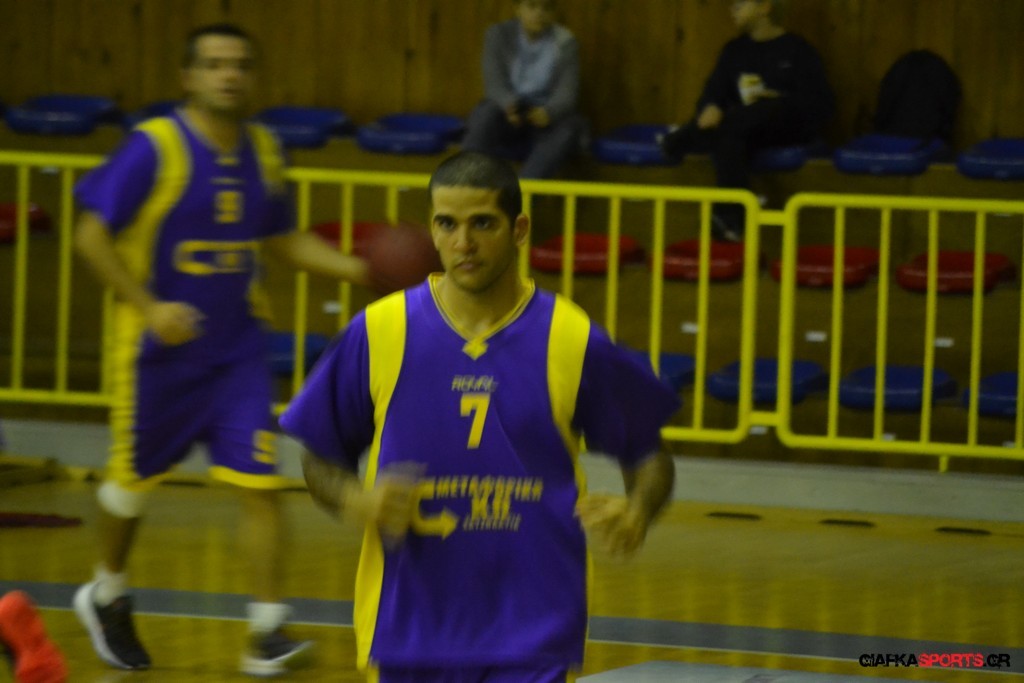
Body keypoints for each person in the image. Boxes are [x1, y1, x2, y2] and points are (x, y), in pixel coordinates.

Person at [280, 151, 678, 682]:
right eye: (447, 224)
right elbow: (320, 458)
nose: (463, 243)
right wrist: (356, 499)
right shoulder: (379, 331)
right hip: (408, 629)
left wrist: (638, 511)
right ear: (432, 229)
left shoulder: (570, 336)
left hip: (534, 632)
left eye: (482, 224)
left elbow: (649, 453)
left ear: (519, 230)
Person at [71, 23, 368, 676]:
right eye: (213, 64)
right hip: (156, 353)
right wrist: (149, 306)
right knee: (131, 487)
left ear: (253, 77)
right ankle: (106, 591)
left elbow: (282, 239)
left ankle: (266, 631)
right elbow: (89, 235)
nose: (228, 75)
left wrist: (359, 269)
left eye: (239, 65)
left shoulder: (264, 149)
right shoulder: (154, 145)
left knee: (259, 484)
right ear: (189, 77)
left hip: (236, 352)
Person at [660, 0, 834, 241]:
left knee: (762, 110)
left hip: (785, 129)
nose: (732, 9)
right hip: (739, 132)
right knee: (730, 129)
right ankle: (732, 217)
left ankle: (685, 137)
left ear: (765, 7)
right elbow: (713, 94)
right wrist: (711, 107)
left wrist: (776, 101)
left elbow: (819, 105)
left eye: (740, 3)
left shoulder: (798, 50)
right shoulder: (734, 51)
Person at [461, 0, 586, 179]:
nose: (539, 14)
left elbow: (567, 92)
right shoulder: (498, 34)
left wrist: (550, 112)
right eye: (532, 6)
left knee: (570, 128)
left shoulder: (566, 41)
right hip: (508, 112)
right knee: (484, 115)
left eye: (546, 8)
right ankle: (467, 181)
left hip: (546, 116)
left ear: (553, 13)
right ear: (518, 9)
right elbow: (494, 83)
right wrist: (509, 105)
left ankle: (525, 189)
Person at [0, 591, 68, 683]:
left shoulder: (4, 611)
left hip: (29, 667)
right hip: (50, 659)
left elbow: (9, 649)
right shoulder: (16, 598)